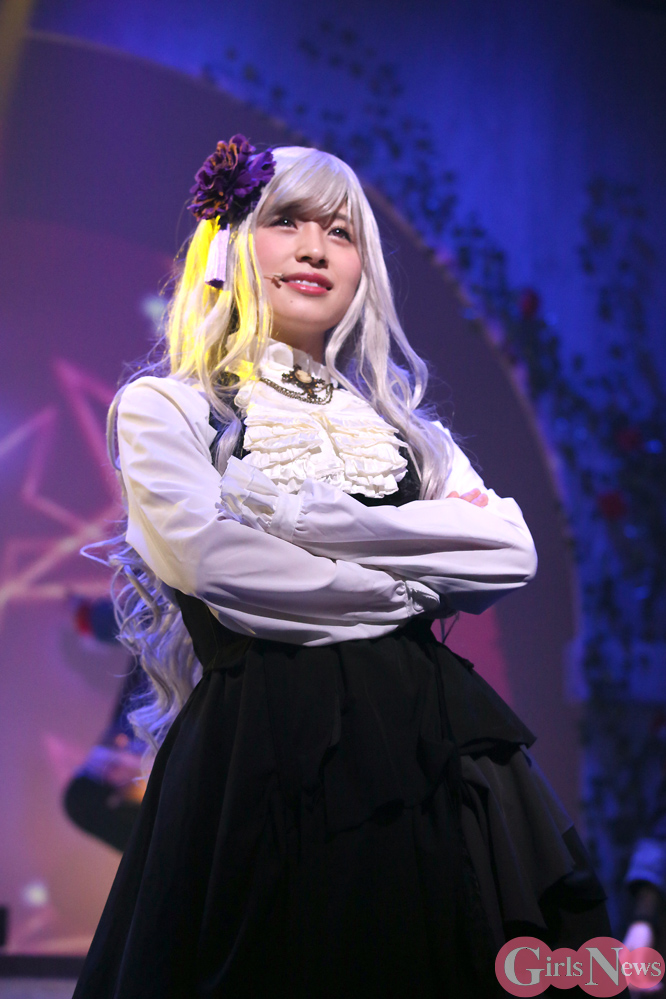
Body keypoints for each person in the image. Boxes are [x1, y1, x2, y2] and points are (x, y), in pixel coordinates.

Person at [72, 136, 615, 999]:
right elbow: (215, 565)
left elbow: (510, 549)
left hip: (433, 749)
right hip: (258, 753)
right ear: (232, 240)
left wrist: (305, 521)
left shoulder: (408, 431)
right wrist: (411, 581)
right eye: (287, 220)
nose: (316, 249)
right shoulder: (167, 406)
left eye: (341, 231)